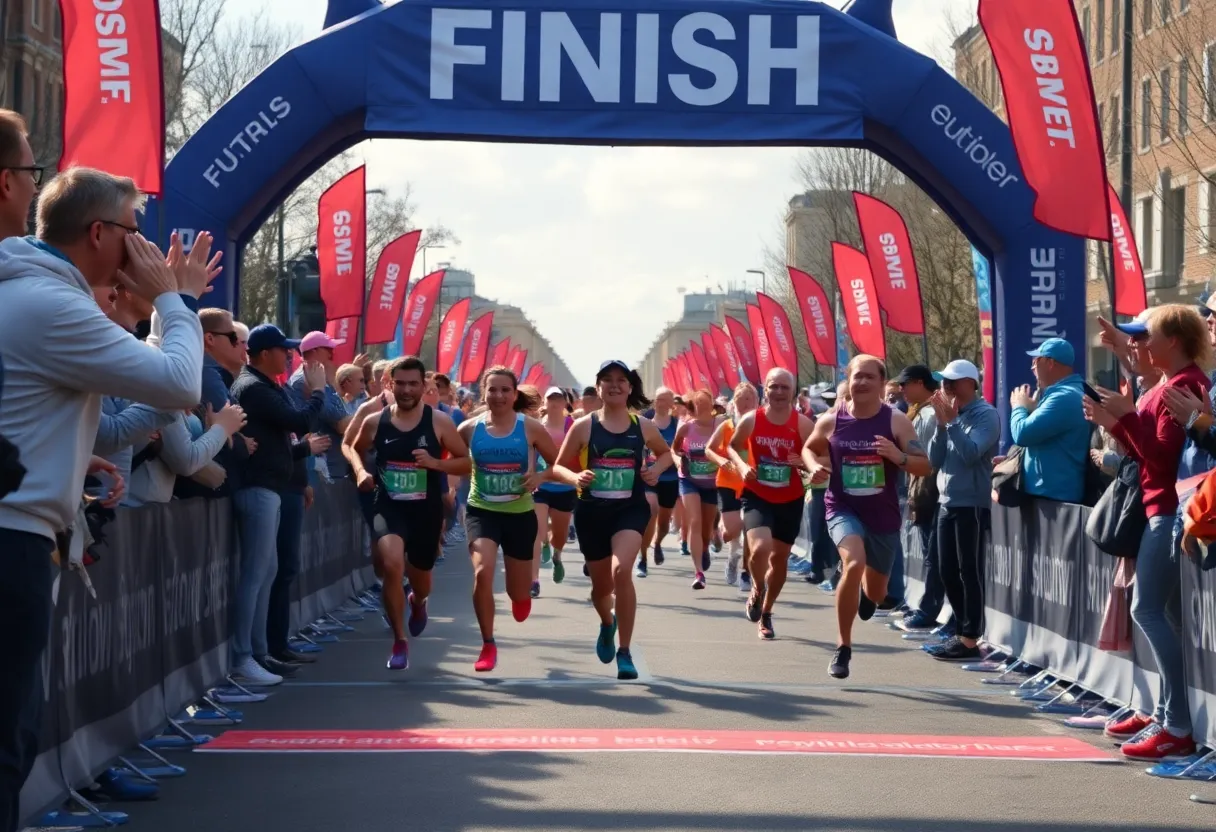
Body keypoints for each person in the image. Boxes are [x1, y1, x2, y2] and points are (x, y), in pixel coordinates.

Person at [0, 163, 212, 832]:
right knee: (6, 740)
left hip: (22, 527)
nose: (144, 249)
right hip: (11, 541)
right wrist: (173, 301)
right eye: (135, 232)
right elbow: (179, 384)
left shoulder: (24, 288)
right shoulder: (49, 303)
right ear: (99, 233)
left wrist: (68, 447)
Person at [1087, 304, 1211, 762]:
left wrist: (1122, 420)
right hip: (1162, 510)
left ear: (1173, 340)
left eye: (1146, 335)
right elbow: (1150, 451)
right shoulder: (1173, 382)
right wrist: (1117, 416)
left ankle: (1175, 723)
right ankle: (1166, 714)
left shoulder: (1187, 385)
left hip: (1170, 512)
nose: (1140, 343)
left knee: (1148, 611)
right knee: (1164, 617)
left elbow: (1159, 461)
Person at [803, 356, 931, 678]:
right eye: (856, 376)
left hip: (883, 517)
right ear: (849, 378)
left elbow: (924, 465)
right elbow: (809, 447)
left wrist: (897, 455)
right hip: (842, 508)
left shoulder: (896, 421)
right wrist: (813, 466)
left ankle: (865, 593)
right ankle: (843, 647)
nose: (861, 382)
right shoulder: (832, 419)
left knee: (876, 593)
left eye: (869, 377)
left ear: (880, 382)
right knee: (853, 562)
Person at [552, 360, 672, 680]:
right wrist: (576, 476)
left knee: (622, 571)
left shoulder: (642, 426)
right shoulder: (584, 426)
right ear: (599, 387)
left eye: (621, 380)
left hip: (629, 509)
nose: (615, 385)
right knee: (601, 588)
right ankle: (607, 623)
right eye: (608, 380)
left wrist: (656, 470)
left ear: (630, 388)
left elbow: (666, 453)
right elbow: (558, 467)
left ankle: (625, 651)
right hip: (592, 512)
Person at [350, 356, 469, 670]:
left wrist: (437, 464)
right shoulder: (376, 421)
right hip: (388, 505)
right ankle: (399, 640)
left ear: (424, 386)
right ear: (389, 383)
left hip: (425, 511)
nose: (405, 390)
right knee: (390, 562)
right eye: (399, 383)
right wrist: (361, 470)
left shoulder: (439, 422)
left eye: (413, 384)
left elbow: (466, 462)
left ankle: (418, 602)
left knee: (422, 581)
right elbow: (351, 446)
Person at [230, 325, 330, 684]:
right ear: (262, 353)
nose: (289, 355)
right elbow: (300, 420)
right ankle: (244, 656)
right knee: (255, 576)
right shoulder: (252, 387)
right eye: (282, 349)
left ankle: (260, 653)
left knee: (266, 573)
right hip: (257, 488)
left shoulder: (266, 385)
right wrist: (318, 391)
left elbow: (288, 435)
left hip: (271, 487)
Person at [457, 368, 558, 671]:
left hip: (520, 514)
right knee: (483, 572)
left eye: (505, 390)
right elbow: (453, 461)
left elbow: (558, 464)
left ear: (515, 395)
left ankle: (520, 594)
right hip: (481, 511)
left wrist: (539, 476)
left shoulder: (531, 428)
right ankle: (487, 643)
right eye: (492, 390)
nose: (498, 396)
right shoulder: (468, 429)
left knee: (518, 593)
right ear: (483, 393)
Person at [727, 368, 814, 640]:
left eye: (783, 388)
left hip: (790, 497)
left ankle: (766, 612)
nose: (778, 392)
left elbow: (820, 455)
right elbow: (732, 446)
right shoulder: (752, 419)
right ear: (765, 390)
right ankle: (757, 586)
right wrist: (741, 466)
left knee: (779, 560)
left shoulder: (802, 424)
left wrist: (804, 463)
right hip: (757, 494)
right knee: (760, 548)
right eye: (773, 387)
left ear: (793, 391)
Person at [925, 359, 1001, 663]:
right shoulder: (947, 415)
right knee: (946, 569)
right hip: (947, 501)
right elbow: (934, 459)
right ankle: (961, 632)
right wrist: (941, 426)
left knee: (969, 570)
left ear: (971, 383)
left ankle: (970, 637)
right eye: (944, 381)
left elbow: (971, 454)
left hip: (972, 503)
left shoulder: (987, 415)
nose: (946, 386)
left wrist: (953, 423)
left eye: (953, 382)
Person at [892, 364, 945, 633]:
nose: (901, 389)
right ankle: (928, 609)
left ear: (921, 383)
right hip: (925, 492)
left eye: (905, 383)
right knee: (932, 555)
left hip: (930, 493)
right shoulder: (920, 413)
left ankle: (929, 611)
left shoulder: (927, 415)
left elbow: (925, 460)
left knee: (934, 557)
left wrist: (897, 456)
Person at [1010, 338, 1090, 503]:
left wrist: (1019, 406)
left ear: (1050, 363)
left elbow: (1022, 434)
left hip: (1054, 499)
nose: (1032, 367)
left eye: (1036, 361)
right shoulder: (1066, 392)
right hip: (1050, 496)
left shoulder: (1064, 396)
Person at [706, 382, 758, 590]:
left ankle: (745, 573)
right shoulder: (726, 426)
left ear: (756, 401)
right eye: (740, 399)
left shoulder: (760, 424)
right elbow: (709, 450)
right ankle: (732, 558)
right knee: (731, 532)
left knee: (750, 527)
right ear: (733, 402)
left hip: (753, 483)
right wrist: (721, 461)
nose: (745, 403)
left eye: (749, 399)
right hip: (728, 481)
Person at [674, 389, 723, 589]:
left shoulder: (719, 425)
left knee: (705, 530)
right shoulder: (686, 428)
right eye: (698, 403)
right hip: (689, 480)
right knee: (694, 520)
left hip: (711, 484)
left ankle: (704, 548)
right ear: (693, 407)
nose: (702, 406)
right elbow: (674, 449)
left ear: (712, 406)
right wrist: (679, 461)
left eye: (706, 403)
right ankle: (698, 573)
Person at [289, 331, 352, 482]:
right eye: (328, 350)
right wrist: (369, 411)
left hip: (326, 466)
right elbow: (342, 423)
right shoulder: (305, 380)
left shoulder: (317, 376)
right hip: (317, 468)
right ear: (315, 351)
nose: (332, 354)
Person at [533, 387, 576, 588]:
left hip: (564, 487)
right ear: (545, 403)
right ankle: (534, 581)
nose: (555, 403)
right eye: (551, 399)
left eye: (559, 399)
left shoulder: (573, 426)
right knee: (537, 530)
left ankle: (557, 556)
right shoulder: (537, 427)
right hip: (541, 486)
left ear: (565, 403)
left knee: (560, 535)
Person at [639, 386, 679, 577]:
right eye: (658, 399)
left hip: (670, 478)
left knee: (663, 524)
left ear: (672, 403)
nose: (661, 403)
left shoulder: (677, 424)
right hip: (649, 477)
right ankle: (643, 557)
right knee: (650, 510)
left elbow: (680, 449)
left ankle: (657, 543)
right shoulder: (646, 424)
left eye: (665, 399)